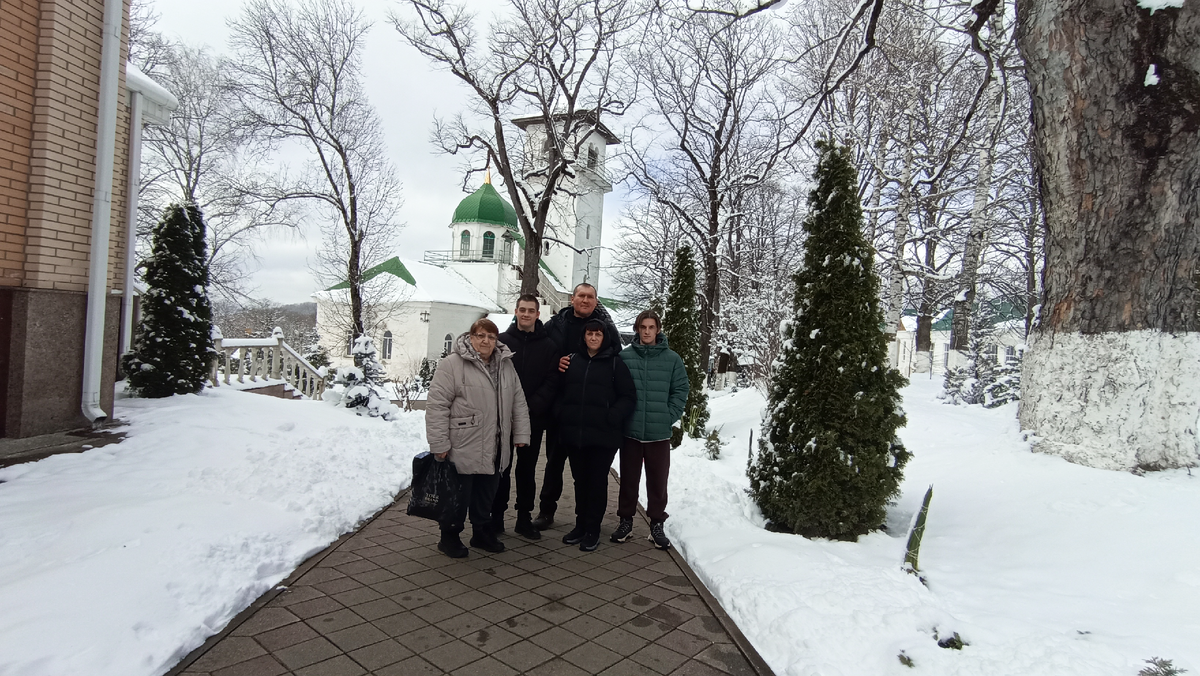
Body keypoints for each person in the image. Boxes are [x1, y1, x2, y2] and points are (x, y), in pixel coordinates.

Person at [425, 318, 530, 558]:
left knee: (486, 493)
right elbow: (437, 406)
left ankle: (481, 532)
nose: (486, 341)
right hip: (463, 443)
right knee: (458, 495)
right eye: (481, 335)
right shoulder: (452, 364)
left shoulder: (505, 365)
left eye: (491, 337)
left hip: (495, 443)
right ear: (471, 337)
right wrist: (439, 443)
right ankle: (449, 536)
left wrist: (522, 433)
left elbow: (518, 402)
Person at [531, 283, 623, 531]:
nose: (585, 300)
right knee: (554, 462)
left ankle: (586, 520)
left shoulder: (605, 326)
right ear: (572, 299)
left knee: (585, 470)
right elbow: (540, 349)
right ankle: (546, 510)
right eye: (581, 296)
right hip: (559, 405)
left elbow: (615, 354)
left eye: (590, 297)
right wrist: (555, 363)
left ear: (595, 301)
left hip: (589, 408)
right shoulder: (556, 324)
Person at [555, 318, 637, 551]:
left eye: (598, 334)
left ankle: (593, 528)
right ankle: (580, 525)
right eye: (589, 334)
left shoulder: (615, 364)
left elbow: (628, 397)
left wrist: (612, 416)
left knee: (597, 482)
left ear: (604, 337)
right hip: (575, 434)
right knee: (580, 482)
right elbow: (560, 391)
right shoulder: (573, 361)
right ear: (584, 336)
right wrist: (562, 413)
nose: (593, 338)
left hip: (603, 436)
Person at [613, 310, 689, 550]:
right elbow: (615, 390)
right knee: (629, 481)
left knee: (658, 481)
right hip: (631, 433)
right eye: (642, 327)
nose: (646, 332)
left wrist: (668, 416)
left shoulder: (672, 359)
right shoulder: (624, 357)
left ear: (658, 330)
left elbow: (681, 390)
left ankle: (657, 523)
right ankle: (626, 521)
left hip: (658, 434)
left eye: (651, 327)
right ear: (637, 329)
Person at [492, 295, 559, 540]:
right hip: (503, 417)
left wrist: (531, 407)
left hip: (533, 418)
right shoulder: (502, 342)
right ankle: (496, 517)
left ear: (538, 314)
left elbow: (552, 381)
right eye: (522, 310)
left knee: (527, 470)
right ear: (516, 311)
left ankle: (523, 518)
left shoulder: (549, 346)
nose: (526, 314)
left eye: (531, 310)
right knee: (502, 468)